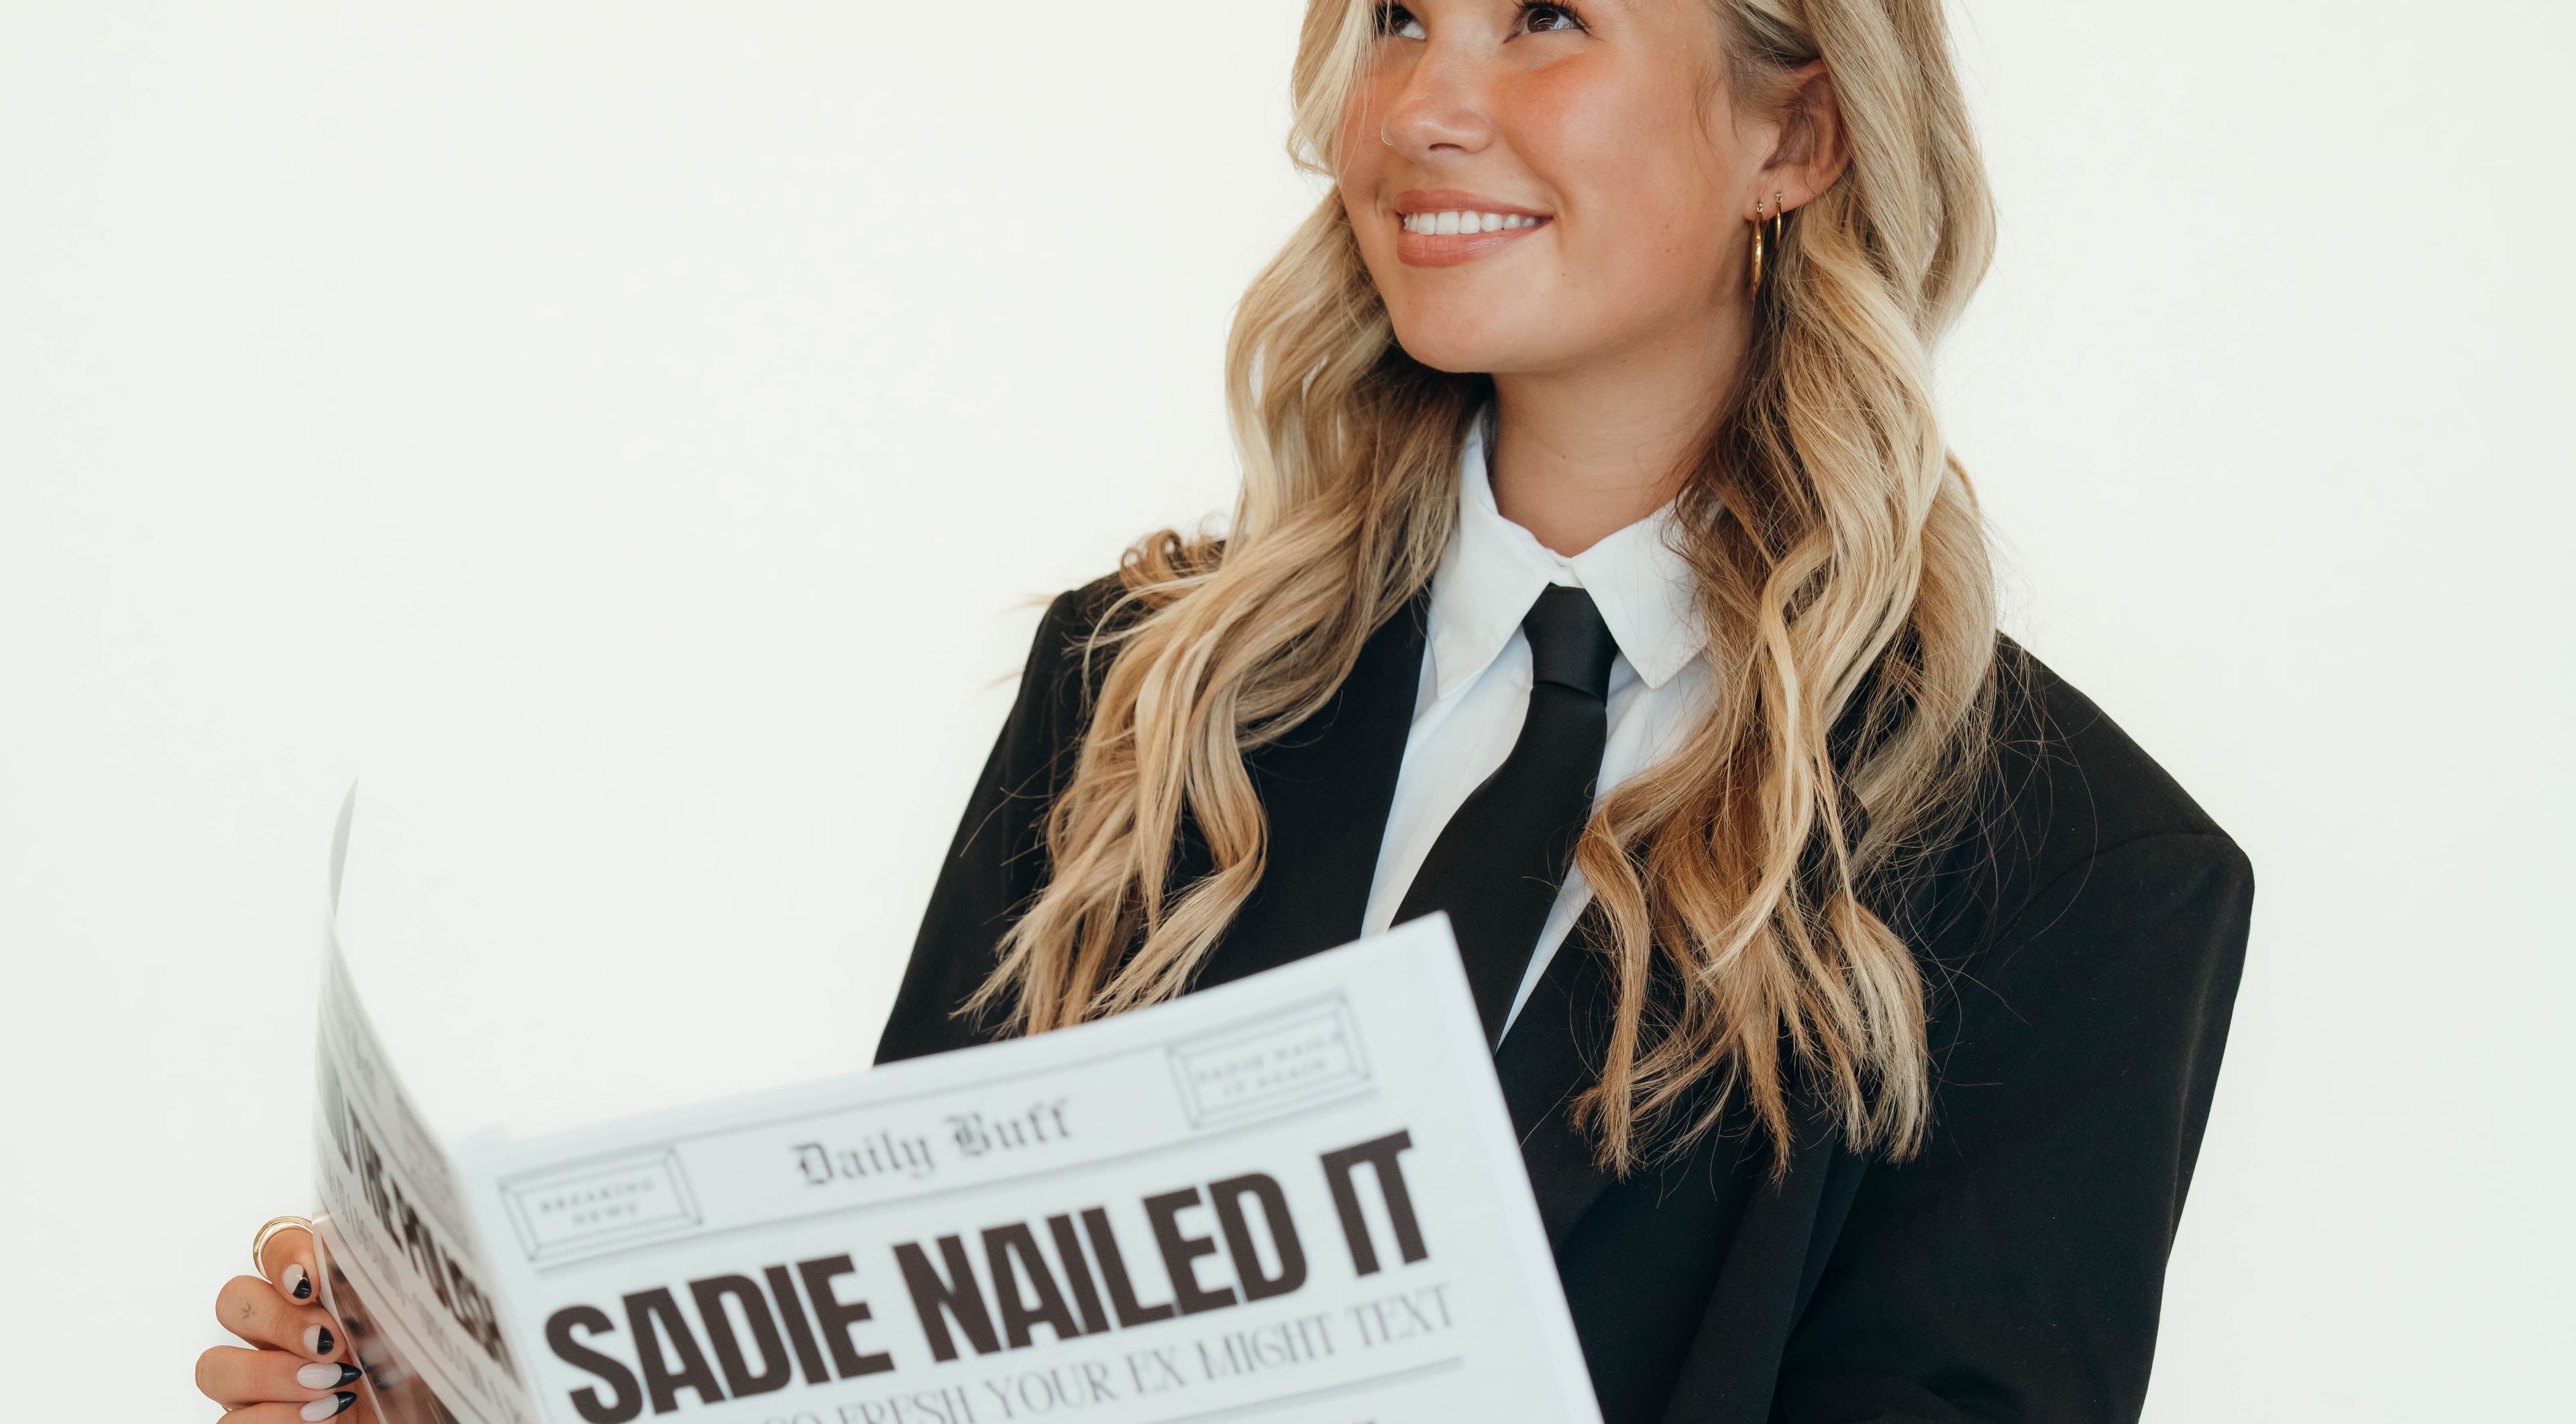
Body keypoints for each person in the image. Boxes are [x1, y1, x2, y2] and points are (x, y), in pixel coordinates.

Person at [199, 1, 2253, 1421]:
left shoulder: (2074, 875)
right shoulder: (1137, 694)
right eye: (1389, 17)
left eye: (1540, 15)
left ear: (1794, 128)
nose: (1418, 110)